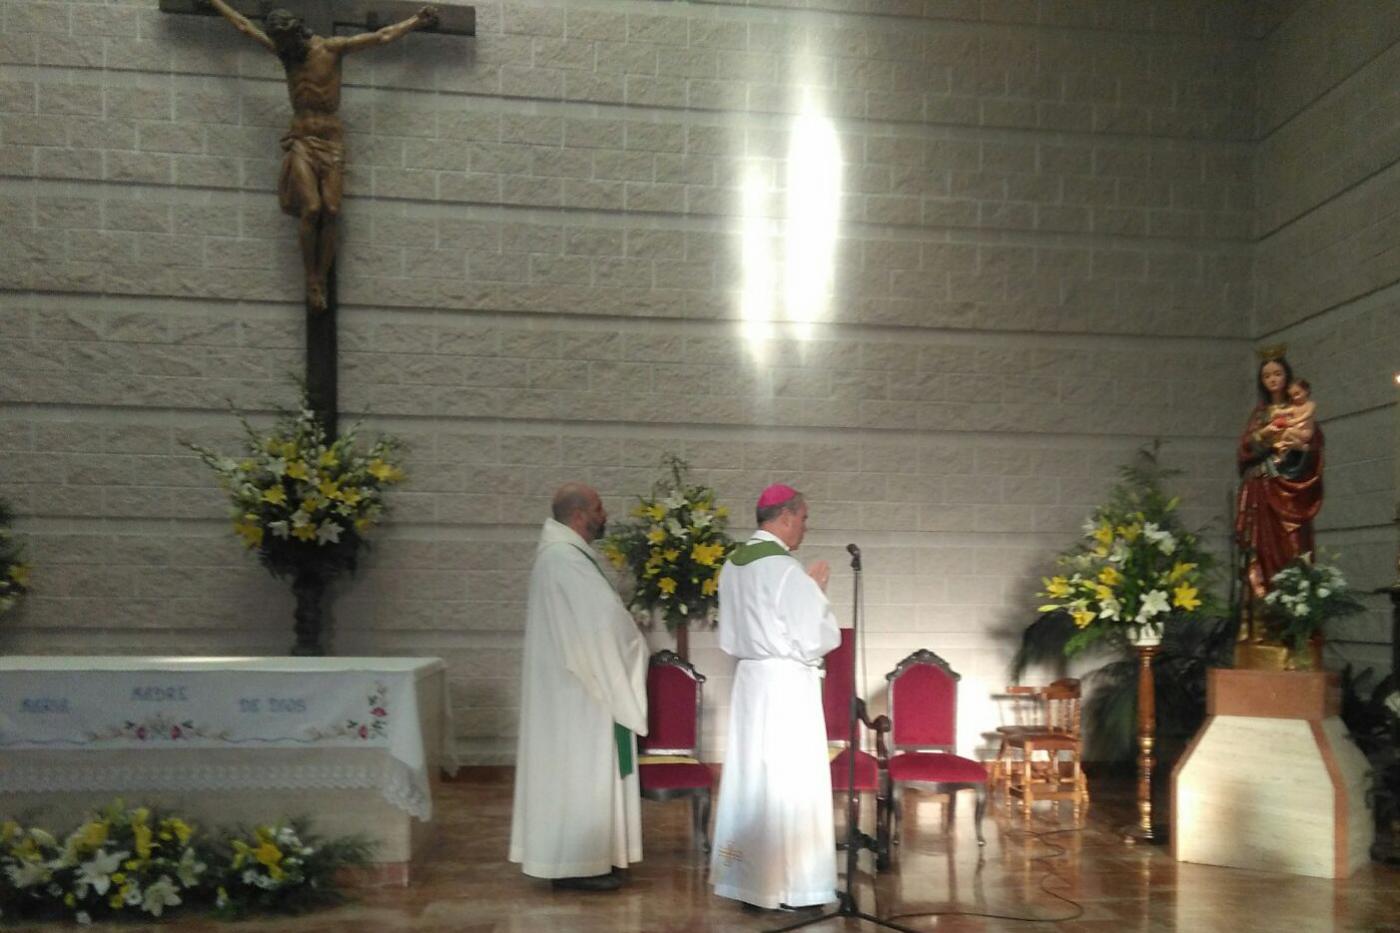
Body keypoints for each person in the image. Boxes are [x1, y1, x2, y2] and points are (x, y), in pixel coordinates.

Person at [204, 0, 438, 311]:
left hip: (331, 142)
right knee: (311, 208)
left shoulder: (331, 49)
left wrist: (416, 21)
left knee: (332, 208)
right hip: (301, 138)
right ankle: (312, 279)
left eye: (285, 40)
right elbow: (245, 28)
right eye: (278, 42)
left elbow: (381, 37)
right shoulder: (286, 55)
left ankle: (320, 276)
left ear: (296, 32)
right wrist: (216, 3)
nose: (281, 47)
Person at [509, 483, 649, 891]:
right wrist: (632, 635)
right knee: (579, 773)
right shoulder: (565, 561)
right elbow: (603, 624)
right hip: (579, 695)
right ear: (578, 516)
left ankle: (589, 858)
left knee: (578, 774)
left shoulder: (567, 558)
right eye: (599, 508)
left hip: (577, 688)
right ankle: (576, 865)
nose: (605, 515)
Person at [710, 484, 841, 911]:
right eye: (803, 518)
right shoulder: (784, 568)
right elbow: (815, 637)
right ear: (785, 517)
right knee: (791, 781)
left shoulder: (733, 563)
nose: (804, 527)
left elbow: (730, 631)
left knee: (754, 782)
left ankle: (751, 883)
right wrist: (816, 589)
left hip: (751, 681)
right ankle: (795, 886)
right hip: (786, 686)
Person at [1235, 355, 1324, 618]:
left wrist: (1295, 449)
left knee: (1293, 549)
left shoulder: (1301, 409)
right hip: (1261, 491)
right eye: (1267, 376)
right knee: (1260, 553)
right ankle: (1263, 619)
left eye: (1278, 374)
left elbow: (1313, 447)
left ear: (1287, 377)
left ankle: (1295, 620)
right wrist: (1265, 438)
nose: (1273, 380)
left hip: (1290, 491)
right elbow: (1245, 449)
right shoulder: (1260, 414)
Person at [1269, 378, 1316, 472]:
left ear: (1306, 391)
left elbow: (1307, 415)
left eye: (1297, 394)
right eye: (1292, 396)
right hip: (1297, 433)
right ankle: (1283, 455)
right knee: (1285, 437)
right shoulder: (1294, 407)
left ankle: (1301, 447)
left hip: (1306, 433)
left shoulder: (1310, 404)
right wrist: (1278, 412)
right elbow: (1285, 411)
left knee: (1288, 431)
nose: (1295, 398)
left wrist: (1295, 421)